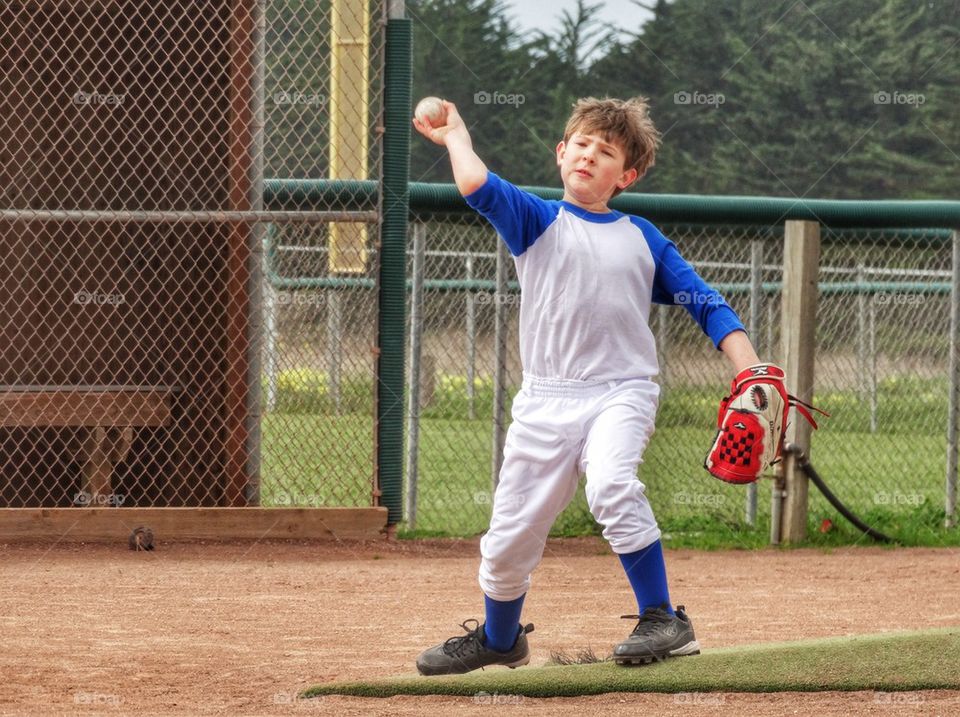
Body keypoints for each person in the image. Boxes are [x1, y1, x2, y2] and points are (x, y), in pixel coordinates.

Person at [411, 96, 762, 675]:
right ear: (560, 153)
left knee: (612, 483)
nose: (589, 156)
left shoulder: (641, 237)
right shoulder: (538, 219)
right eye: (581, 144)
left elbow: (704, 299)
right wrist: (455, 135)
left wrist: (746, 364)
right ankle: (501, 641)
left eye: (606, 152)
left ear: (626, 175)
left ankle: (663, 618)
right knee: (507, 539)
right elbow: (475, 185)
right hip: (546, 399)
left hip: (621, 390)